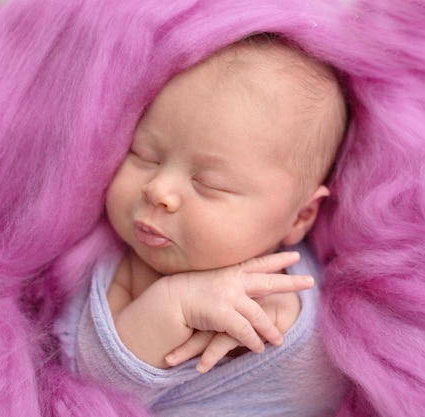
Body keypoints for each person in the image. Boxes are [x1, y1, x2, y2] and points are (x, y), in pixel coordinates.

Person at [56, 34, 348, 416]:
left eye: (208, 185)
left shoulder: (294, 283)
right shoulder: (127, 269)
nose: (157, 189)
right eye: (145, 155)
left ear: (300, 217)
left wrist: (275, 322)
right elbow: (89, 382)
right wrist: (172, 307)